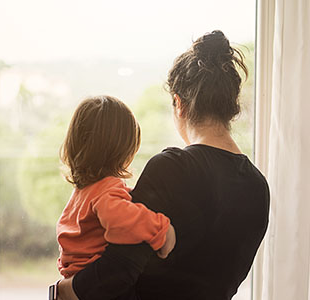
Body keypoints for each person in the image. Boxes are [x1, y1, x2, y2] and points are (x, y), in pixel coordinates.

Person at [57, 30, 270, 300]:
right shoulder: (258, 186)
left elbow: (117, 272)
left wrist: (59, 291)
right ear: (230, 107)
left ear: (178, 104)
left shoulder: (173, 168)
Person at [56, 96, 176, 279]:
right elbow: (123, 221)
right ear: (122, 152)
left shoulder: (82, 192)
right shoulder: (106, 191)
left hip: (75, 280)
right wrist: (161, 230)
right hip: (96, 285)